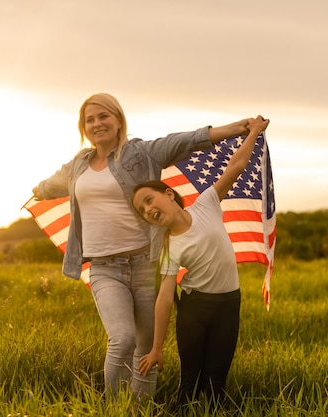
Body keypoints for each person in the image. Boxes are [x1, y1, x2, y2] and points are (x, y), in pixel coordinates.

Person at [31, 92, 258, 400]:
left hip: (145, 263)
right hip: (104, 267)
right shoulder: (78, 166)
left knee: (145, 346)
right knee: (122, 339)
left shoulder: (143, 153)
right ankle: (114, 408)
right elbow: (54, 184)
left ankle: (140, 409)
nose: (97, 123)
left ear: (118, 119)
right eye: (90, 120)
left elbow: (187, 140)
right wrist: (39, 190)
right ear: (84, 128)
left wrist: (237, 128)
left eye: (103, 116)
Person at [133, 115, 270, 408]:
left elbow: (236, 166)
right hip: (195, 311)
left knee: (216, 383)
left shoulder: (206, 203)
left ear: (168, 194)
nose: (148, 209)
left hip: (229, 305)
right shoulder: (170, 247)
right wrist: (156, 348)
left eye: (148, 200)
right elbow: (165, 299)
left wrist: (254, 132)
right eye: (142, 210)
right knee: (190, 384)